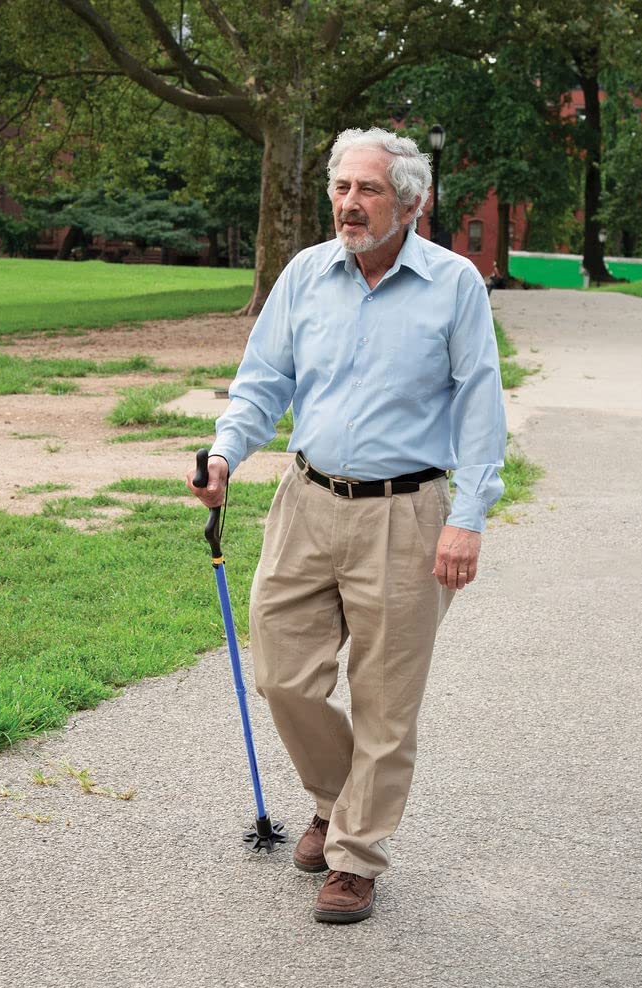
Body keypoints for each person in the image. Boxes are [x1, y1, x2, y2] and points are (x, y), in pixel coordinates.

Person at [187, 127, 507, 924]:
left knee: (385, 701)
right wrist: (226, 453)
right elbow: (263, 382)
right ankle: (336, 799)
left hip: (408, 512)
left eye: (367, 190)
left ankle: (356, 856)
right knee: (282, 673)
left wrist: (467, 518)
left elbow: (479, 407)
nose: (349, 204)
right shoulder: (305, 276)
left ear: (410, 202)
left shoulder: (453, 285)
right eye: (341, 188)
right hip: (307, 500)